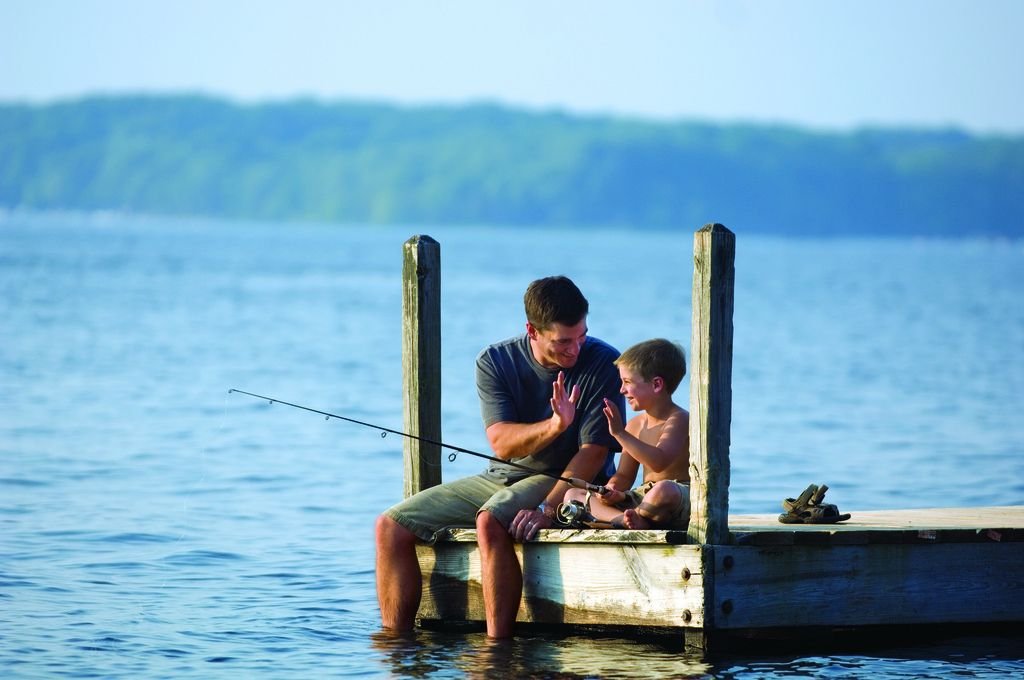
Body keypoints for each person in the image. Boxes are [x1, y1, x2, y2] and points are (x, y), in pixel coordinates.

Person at [375, 275, 624, 638]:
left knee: (490, 520)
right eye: (563, 341)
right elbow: (503, 444)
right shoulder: (494, 360)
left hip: (566, 477)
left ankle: (496, 650)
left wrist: (548, 510)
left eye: (582, 335)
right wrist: (555, 426)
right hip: (502, 474)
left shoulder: (603, 362)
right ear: (532, 331)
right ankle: (396, 647)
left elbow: (594, 452)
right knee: (390, 527)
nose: (575, 349)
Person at [563, 338, 690, 530]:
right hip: (644, 498)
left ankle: (623, 519)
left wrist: (619, 433)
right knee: (573, 495)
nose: (621, 390)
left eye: (627, 382)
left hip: (676, 497)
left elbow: (659, 461)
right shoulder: (635, 425)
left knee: (663, 490)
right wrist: (613, 489)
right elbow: (624, 475)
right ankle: (626, 519)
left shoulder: (679, 419)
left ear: (656, 384)